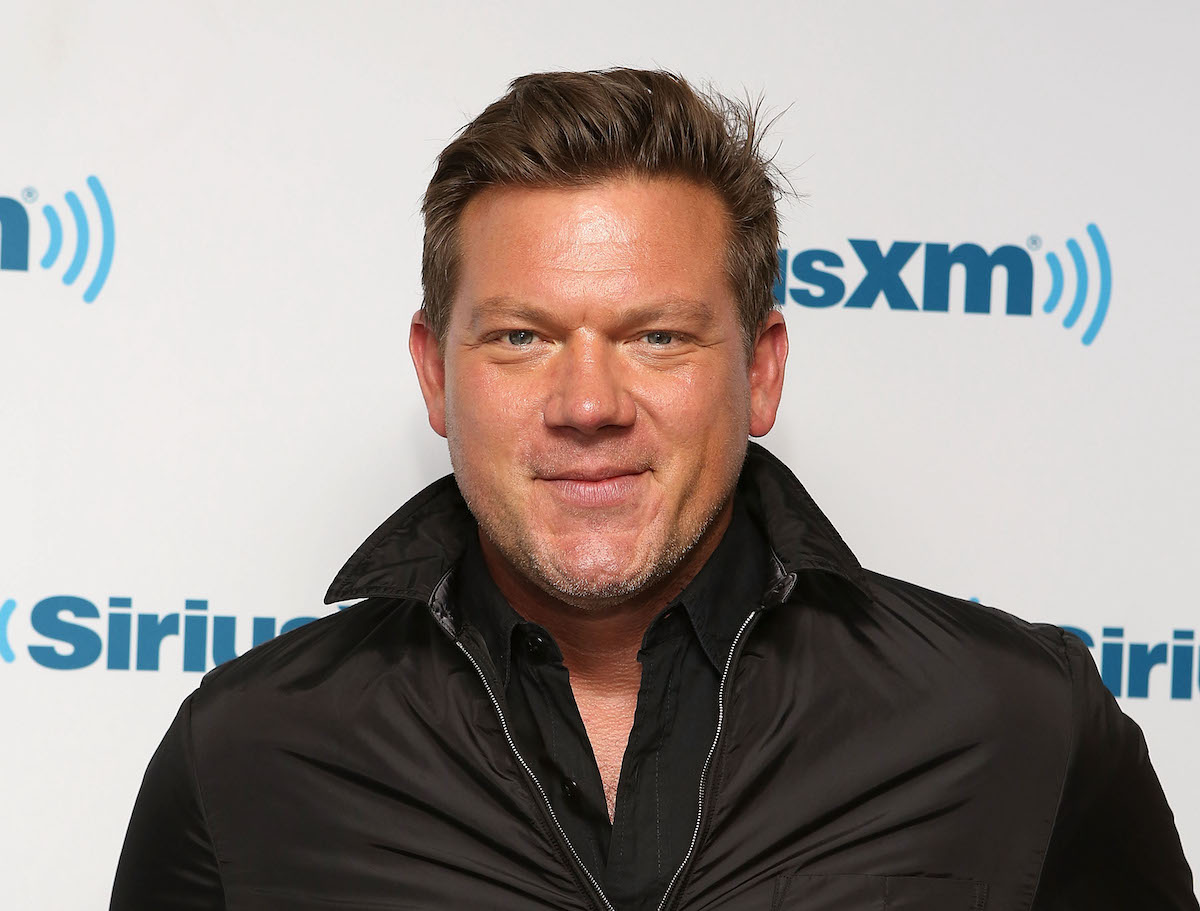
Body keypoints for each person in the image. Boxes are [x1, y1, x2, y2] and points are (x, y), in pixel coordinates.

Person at [110, 68, 1197, 911]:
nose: (589, 404)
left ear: (760, 369)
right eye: (522, 336)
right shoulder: (249, 752)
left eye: (659, 336)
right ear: (436, 373)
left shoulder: (1016, 723)